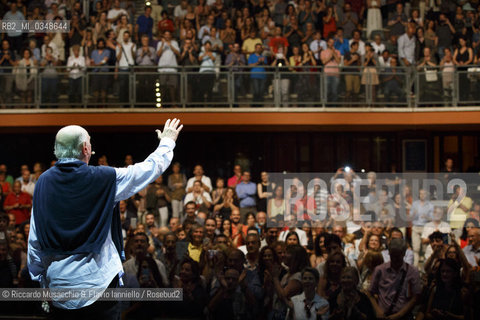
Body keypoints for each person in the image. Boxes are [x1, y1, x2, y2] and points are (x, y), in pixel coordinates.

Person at [27, 119, 183, 317]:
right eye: (90, 143)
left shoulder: (42, 182)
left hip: (58, 287)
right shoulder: (104, 178)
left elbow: (35, 238)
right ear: (85, 148)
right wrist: (167, 142)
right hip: (98, 286)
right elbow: (147, 170)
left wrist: (42, 280)